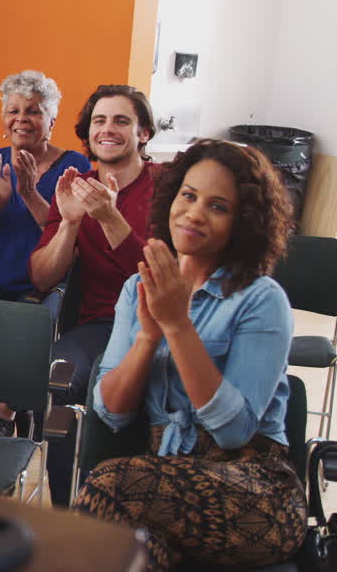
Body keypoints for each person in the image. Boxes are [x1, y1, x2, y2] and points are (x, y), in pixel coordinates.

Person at [74, 139, 303, 571]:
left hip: (257, 494)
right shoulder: (136, 289)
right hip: (165, 485)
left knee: (109, 488)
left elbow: (234, 432)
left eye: (218, 207)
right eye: (189, 196)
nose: (195, 213)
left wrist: (177, 326)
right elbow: (111, 410)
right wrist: (149, 335)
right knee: (129, 554)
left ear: (243, 223)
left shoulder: (261, 299)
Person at [27, 85, 160, 503]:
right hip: (99, 325)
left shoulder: (169, 187)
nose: (108, 129)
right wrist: (68, 224)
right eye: (100, 121)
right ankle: (74, 507)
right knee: (58, 376)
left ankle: (128, 504)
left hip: (159, 323)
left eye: (122, 120)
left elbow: (160, 276)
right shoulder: (74, 186)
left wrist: (109, 218)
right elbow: (42, 279)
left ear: (143, 133)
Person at [0, 71, 90, 437]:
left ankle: (3, 415)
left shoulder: (76, 167)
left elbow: (73, 237)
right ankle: (23, 404)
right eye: (13, 110)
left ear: (52, 121)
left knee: (35, 340)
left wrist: (29, 192)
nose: (21, 119)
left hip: (43, 289)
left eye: (32, 111)